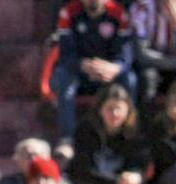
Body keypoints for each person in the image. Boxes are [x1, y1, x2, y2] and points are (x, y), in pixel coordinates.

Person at [51, 0, 137, 153]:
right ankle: (66, 138)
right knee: (63, 77)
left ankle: (128, 133)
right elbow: (64, 54)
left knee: (130, 80)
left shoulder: (118, 13)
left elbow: (125, 53)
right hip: (80, 72)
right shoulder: (69, 12)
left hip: (109, 73)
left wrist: (114, 67)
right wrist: (83, 65)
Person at [128, 0, 176, 107]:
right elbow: (142, 54)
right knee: (146, 77)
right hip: (154, 64)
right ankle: (147, 120)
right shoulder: (141, 7)